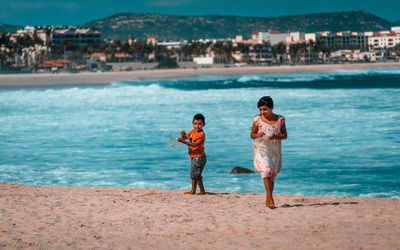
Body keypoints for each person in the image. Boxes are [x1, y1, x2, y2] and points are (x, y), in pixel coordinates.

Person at [250, 96, 287, 208]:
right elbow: (252, 135)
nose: (262, 112)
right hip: (261, 149)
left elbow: (285, 135)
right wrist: (258, 135)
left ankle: (268, 197)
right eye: (260, 109)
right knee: (266, 170)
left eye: (265, 109)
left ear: (272, 107)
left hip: (274, 150)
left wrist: (276, 136)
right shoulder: (257, 120)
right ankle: (270, 198)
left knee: (272, 175)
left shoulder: (280, 120)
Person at [178, 113, 207, 195]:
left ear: (203, 125)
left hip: (199, 157)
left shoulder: (201, 134)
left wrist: (183, 142)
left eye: (199, 124)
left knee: (197, 174)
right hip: (194, 156)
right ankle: (193, 190)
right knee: (193, 174)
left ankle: (202, 191)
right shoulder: (193, 131)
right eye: (195, 124)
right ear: (192, 124)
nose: (197, 126)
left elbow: (194, 144)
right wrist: (183, 135)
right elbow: (187, 137)